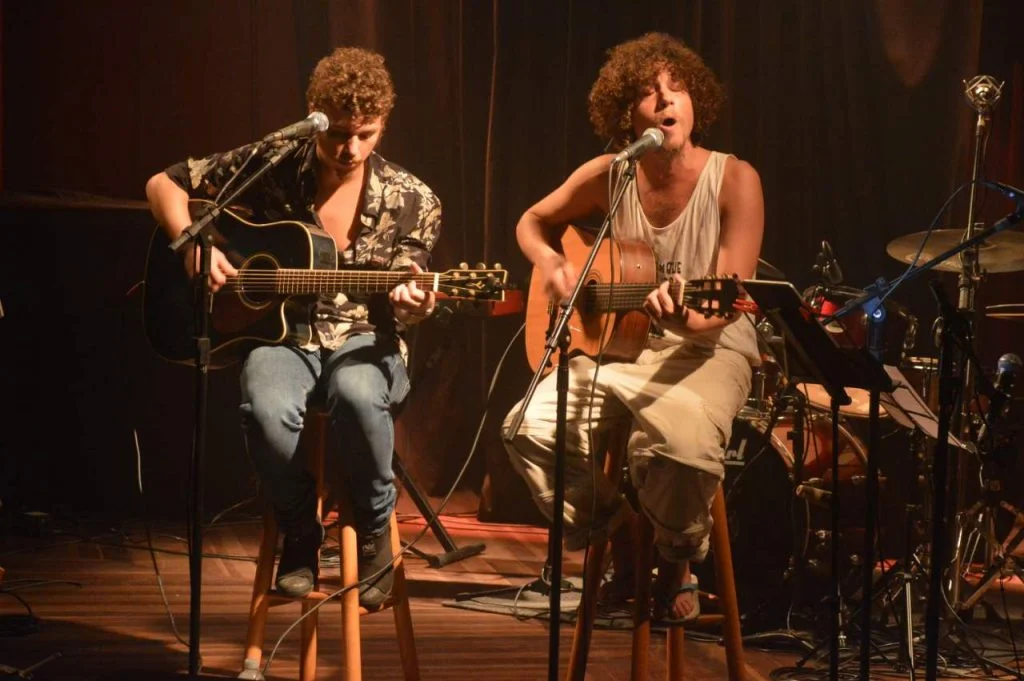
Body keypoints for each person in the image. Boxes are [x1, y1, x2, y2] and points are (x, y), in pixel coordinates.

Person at [146, 47, 441, 609]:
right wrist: (193, 246)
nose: (350, 149)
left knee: (357, 394)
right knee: (265, 409)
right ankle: (299, 526)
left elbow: (412, 280)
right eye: (338, 135)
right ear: (316, 115)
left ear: (383, 127)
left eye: (367, 134)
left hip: (362, 339)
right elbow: (163, 183)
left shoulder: (414, 199)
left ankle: (376, 525)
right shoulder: (274, 161)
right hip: (279, 336)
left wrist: (415, 303)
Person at [503, 32, 763, 623]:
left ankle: (677, 551)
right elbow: (532, 221)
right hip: (617, 348)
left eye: (678, 90)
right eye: (650, 94)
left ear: (696, 102)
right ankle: (618, 529)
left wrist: (686, 317)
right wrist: (551, 264)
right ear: (628, 115)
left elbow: (725, 303)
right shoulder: (611, 173)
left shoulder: (735, 180)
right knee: (527, 429)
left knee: (682, 451)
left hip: (708, 347)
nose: (667, 102)